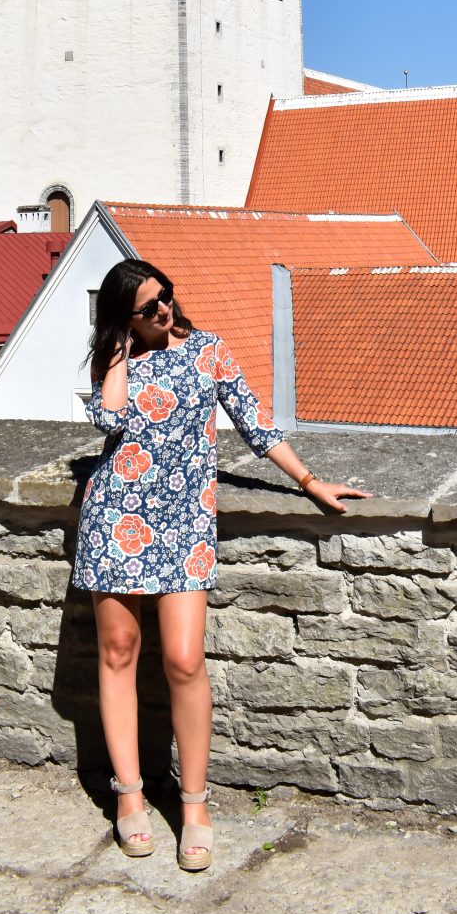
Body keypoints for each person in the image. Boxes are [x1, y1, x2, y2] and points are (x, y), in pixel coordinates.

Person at [73, 257, 369, 871]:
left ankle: (195, 805)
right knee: (118, 652)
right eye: (149, 306)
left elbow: (256, 423)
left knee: (184, 659)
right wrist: (121, 356)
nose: (165, 309)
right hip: (115, 517)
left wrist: (310, 482)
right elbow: (107, 420)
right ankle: (128, 796)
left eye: (168, 296)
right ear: (124, 317)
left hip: (183, 521)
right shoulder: (117, 360)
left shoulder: (208, 349)